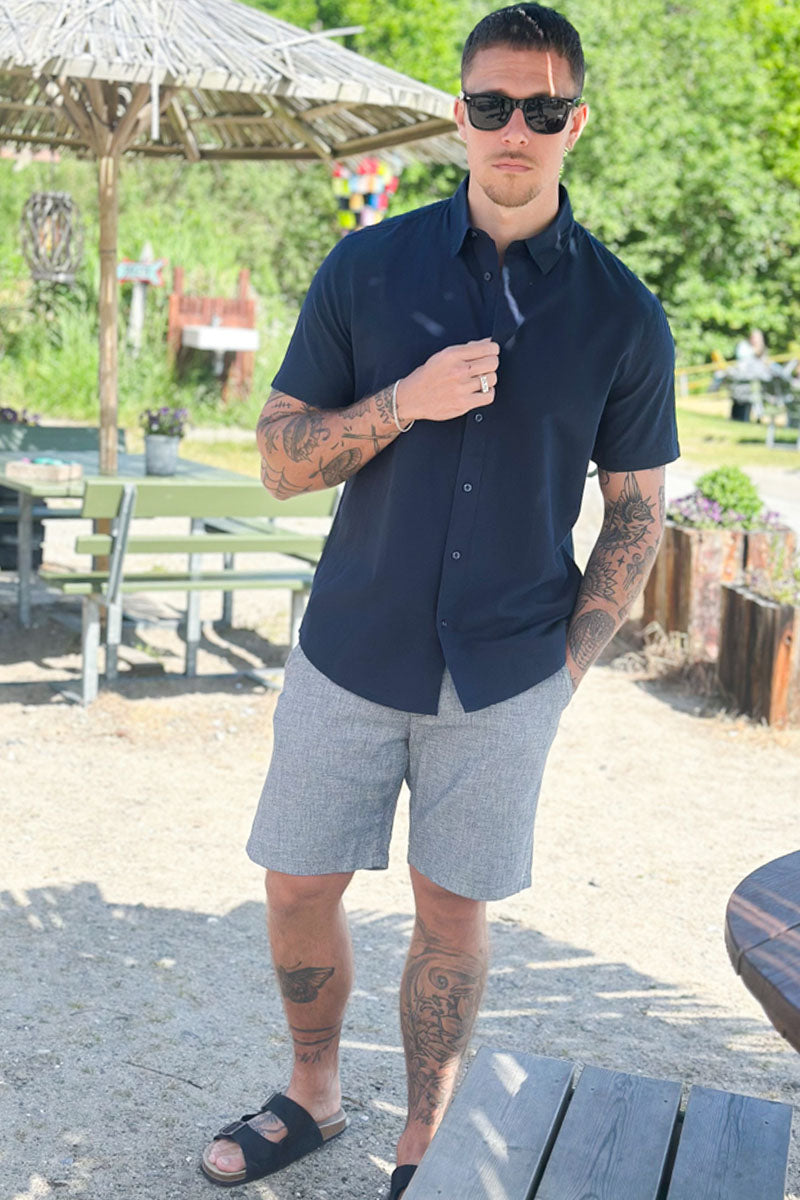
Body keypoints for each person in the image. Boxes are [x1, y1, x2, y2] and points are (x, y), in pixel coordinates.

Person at [200, 5, 679, 1197]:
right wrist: (401, 403)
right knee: (297, 883)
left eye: (541, 108)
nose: (515, 128)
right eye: (491, 104)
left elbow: (634, 514)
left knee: (451, 915)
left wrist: (563, 674)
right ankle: (312, 1093)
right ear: (457, 114)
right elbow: (278, 461)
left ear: (576, 122)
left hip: (507, 674)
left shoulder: (622, 314)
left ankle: (422, 1137)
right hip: (349, 649)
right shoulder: (366, 270)